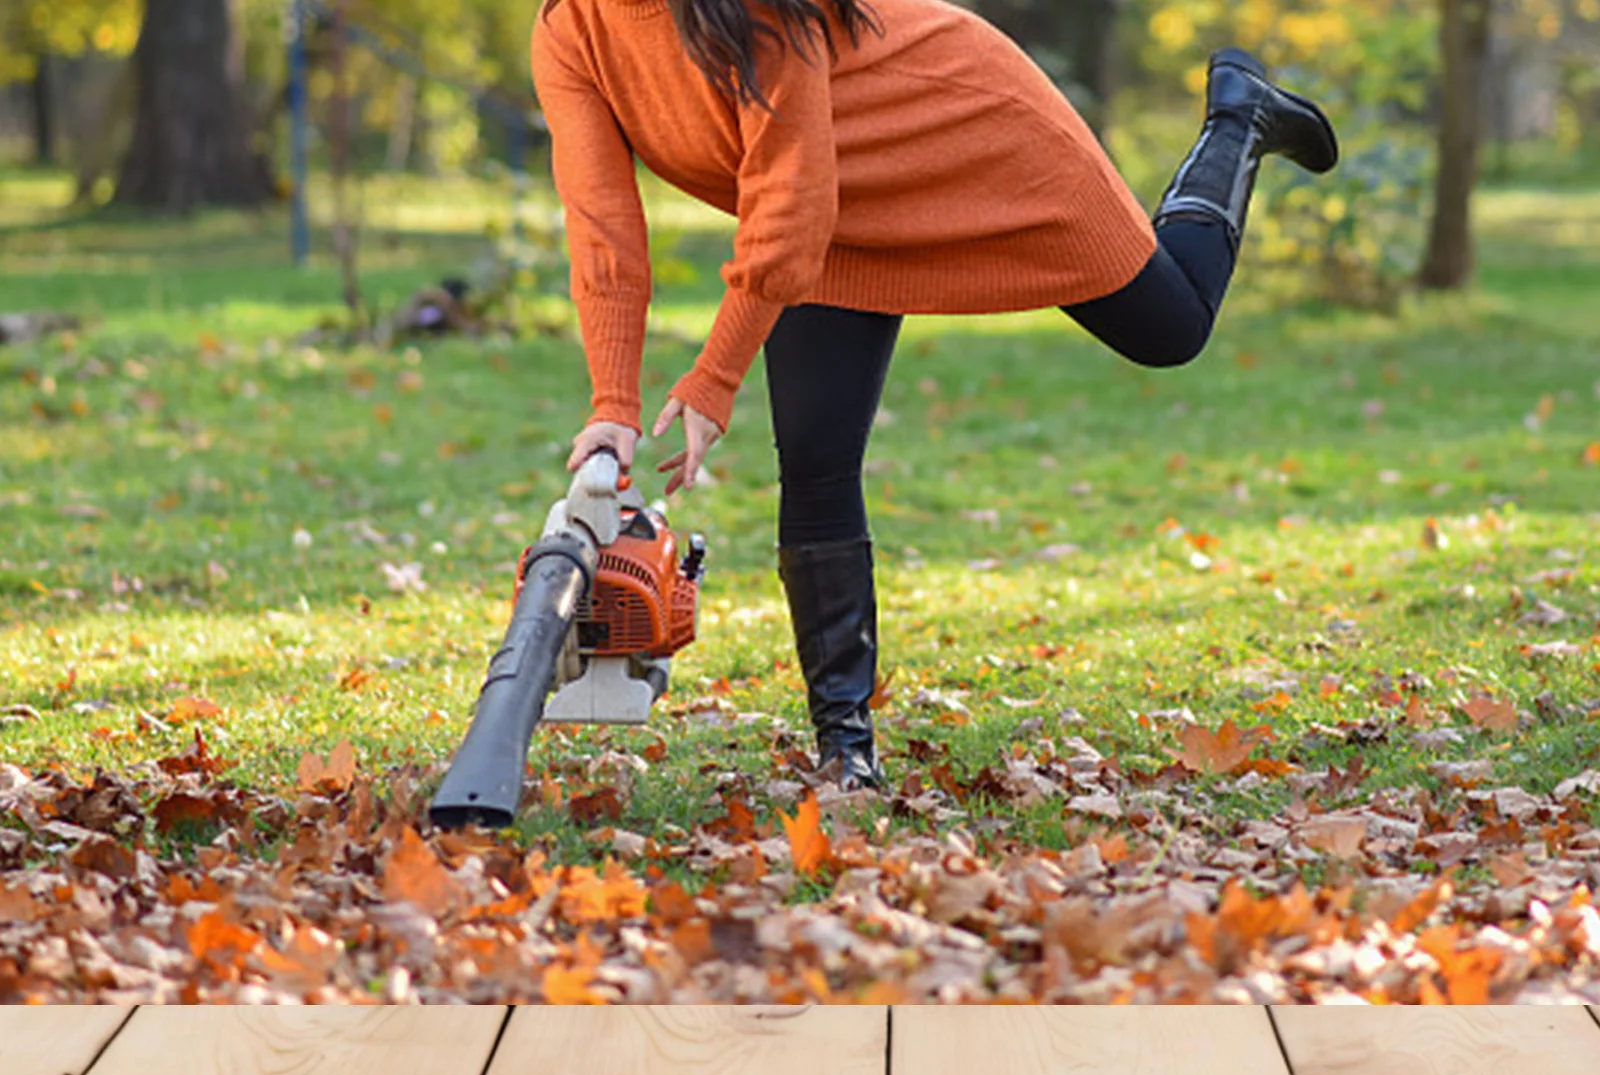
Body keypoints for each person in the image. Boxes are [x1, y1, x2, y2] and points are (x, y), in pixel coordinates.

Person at [532, 0, 1338, 790]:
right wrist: (613, 410)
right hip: (832, 211)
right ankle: (845, 753)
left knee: (1171, 328)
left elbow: (788, 204)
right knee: (814, 457)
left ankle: (1238, 118)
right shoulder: (570, 30)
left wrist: (713, 378)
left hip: (965, 122)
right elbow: (603, 229)